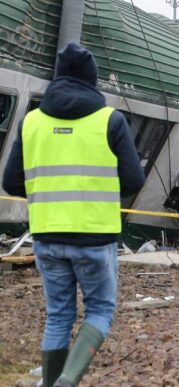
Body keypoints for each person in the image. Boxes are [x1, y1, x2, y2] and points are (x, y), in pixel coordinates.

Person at [2, 43, 145, 387]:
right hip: (95, 239)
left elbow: (10, 182)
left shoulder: (31, 122)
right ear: (92, 81)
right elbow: (133, 181)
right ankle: (67, 381)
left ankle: (51, 383)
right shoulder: (110, 120)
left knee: (59, 316)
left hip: (48, 237)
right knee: (99, 311)